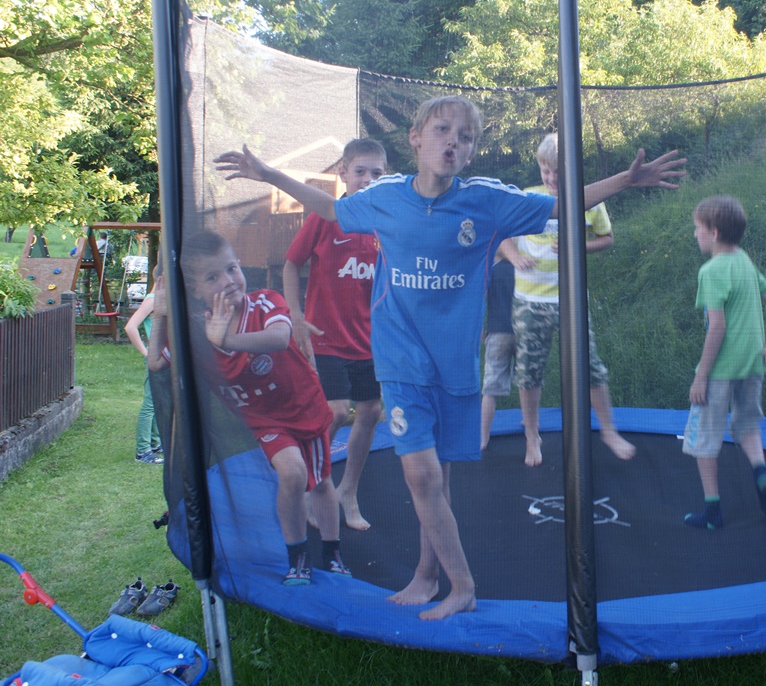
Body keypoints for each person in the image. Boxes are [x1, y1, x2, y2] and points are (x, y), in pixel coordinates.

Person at [214, 95, 686, 620]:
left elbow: (562, 206)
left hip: (456, 367)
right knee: (421, 477)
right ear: (416, 137)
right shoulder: (385, 197)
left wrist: (625, 180)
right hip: (400, 362)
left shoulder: (487, 200)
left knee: (437, 480)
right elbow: (329, 208)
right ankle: (464, 587)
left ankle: (427, 573)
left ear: (472, 151)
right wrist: (268, 174)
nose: (452, 142)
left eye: (465, 137)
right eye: (442, 130)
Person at [175, 230, 350, 585]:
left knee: (320, 482)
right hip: (265, 419)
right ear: (195, 291)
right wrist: (163, 313)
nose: (228, 281)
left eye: (232, 269)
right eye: (212, 277)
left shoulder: (265, 302)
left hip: (304, 407)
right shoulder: (196, 334)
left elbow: (280, 338)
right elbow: (156, 363)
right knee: (293, 473)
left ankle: (332, 551)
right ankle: (298, 556)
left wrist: (227, 339)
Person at [500, 133, 633, 466]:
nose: (551, 179)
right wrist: (514, 256)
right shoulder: (529, 198)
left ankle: (609, 430)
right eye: (546, 171)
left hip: (571, 300)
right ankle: (532, 436)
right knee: (528, 372)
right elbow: (501, 235)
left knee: (591, 367)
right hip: (529, 301)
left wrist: (579, 246)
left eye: (558, 173)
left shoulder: (590, 200)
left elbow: (607, 238)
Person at [282, 138, 386, 531]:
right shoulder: (326, 217)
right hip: (325, 338)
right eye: (360, 171)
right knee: (338, 411)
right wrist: (295, 315)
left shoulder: (384, 224)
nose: (367, 179)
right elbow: (292, 263)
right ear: (343, 172)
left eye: (377, 173)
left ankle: (348, 491)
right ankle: (312, 484)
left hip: (368, 340)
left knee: (371, 411)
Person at [682, 195, 766, 530]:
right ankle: (760, 470)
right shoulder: (743, 260)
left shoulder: (711, 271)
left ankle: (713, 512)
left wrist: (701, 376)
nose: (694, 234)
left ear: (714, 233)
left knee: (705, 438)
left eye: (697, 228)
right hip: (753, 362)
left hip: (720, 370)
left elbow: (718, 327)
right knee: (747, 425)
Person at [124, 270, 165, 464]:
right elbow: (130, 327)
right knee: (150, 404)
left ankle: (155, 443)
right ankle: (143, 451)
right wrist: (146, 353)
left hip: (163, 359)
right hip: (154, 358)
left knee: (157, 402)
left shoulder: (160, 300)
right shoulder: (151, 300)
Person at [479, 248, 515, 450]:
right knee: (529, 384)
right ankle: (532, 428)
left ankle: (483, 436)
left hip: (497, 333)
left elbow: (480, 301)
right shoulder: (522, 269)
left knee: (490, 389)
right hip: (524, 331)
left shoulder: (489, 271)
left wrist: (481, 330)